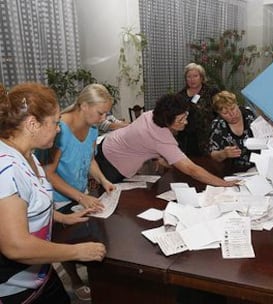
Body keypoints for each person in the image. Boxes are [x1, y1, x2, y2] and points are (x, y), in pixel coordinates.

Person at [0, 82, 106, 303]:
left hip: (40, 272)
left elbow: (30, 204)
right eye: (55, 123)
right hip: (16, 287)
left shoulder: (29, 155)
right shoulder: (7, 170)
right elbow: (15, 246)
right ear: (32, 124)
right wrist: (77, 252)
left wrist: (62, 217)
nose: (59, 129)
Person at [43, 83, 115, 300]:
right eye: (100, 112)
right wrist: (81, 197)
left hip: (79, 192)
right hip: (57, 197)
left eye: (106, 113)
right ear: (84, 105)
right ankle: (74, 279)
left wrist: (103, 180)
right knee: (64, 241)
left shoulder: (92, 128)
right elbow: (49, 174)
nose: (103, 118)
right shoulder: (59, 129)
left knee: (84, 234)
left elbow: (89, 159)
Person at [95, 93, 238, 187]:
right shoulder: (161, 138)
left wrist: (156, 157)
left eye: (185, 116)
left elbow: (142, 141)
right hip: (112, 165)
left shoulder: (151, 114)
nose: (185, 122)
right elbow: (191, 169)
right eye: (181, 119)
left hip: (108, 144)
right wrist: (223, 184)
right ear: (167, 121)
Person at [176, 63, 219, 156]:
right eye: (189, 77)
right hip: (187, 139)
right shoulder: (180, 96)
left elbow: (219, 111)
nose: (192, 79)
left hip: (208, 136)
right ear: (185, 79)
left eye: (195, 76)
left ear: (201, 77)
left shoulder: (211, 92)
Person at [209, 90, 257, 172]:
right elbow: (214, 155)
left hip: (259, 164)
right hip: (235, 171)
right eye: (225, 113)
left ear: (237, 104)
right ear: (219, 113)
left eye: (233, 108)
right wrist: (224, 153)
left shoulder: (250, 114)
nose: (232, 114)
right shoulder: (218, 125)